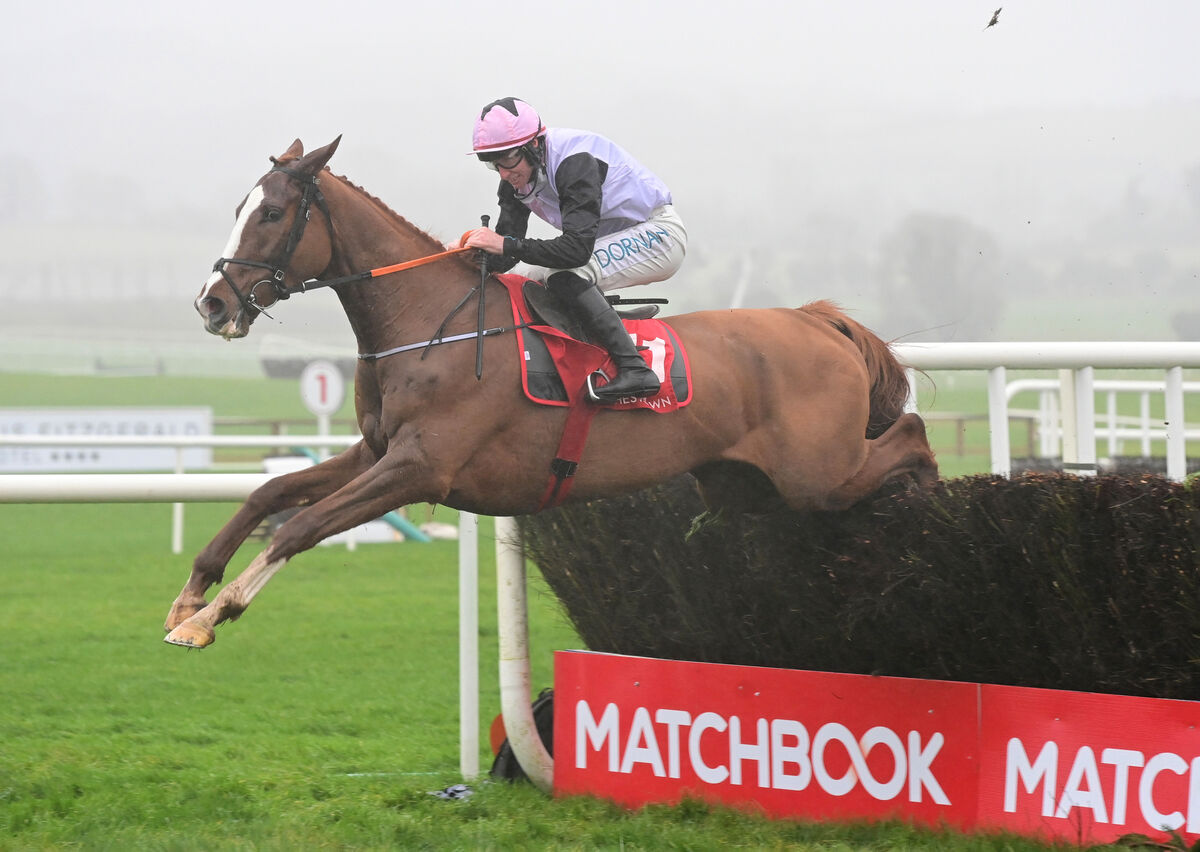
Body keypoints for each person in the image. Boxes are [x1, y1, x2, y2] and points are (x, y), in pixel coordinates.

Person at [461, 97, 687, 402]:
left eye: (508, 159)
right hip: (607, 242)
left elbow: (575, 252)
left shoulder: (574, 162)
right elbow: (508, 256)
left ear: (535, 145)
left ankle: (635, 369)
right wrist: (469, 253)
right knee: (522, 276)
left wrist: (502, 244)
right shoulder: (516, 179)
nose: (503, 172)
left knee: (565, 273)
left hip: (659, 235)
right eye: (493, 162)